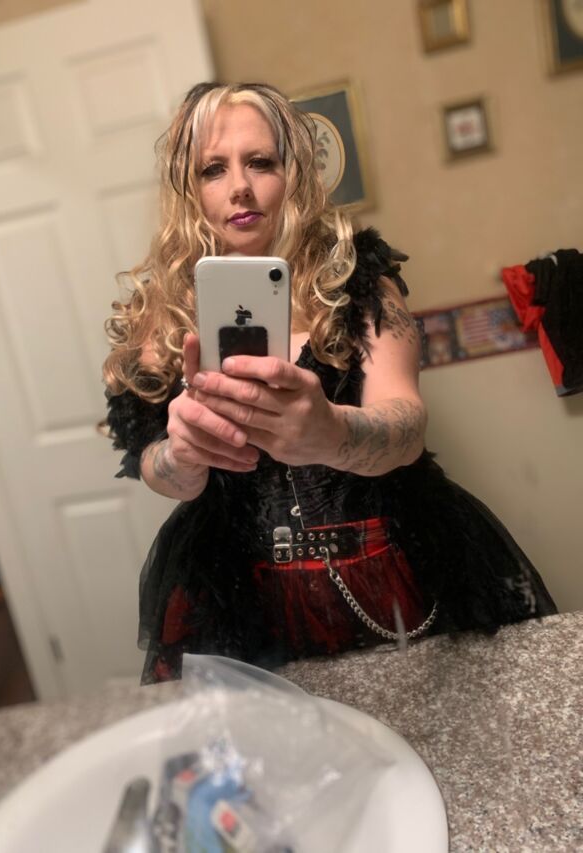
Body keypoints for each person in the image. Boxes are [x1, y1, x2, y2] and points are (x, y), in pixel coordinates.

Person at [103, 82, 556, 684]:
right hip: (237, 596)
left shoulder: (360, 283)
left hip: (392, 566)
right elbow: (152, 466)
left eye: (260, 162)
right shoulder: (155, 317)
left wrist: (332, 433)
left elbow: (407, 424)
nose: (239, 187)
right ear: (190, 189)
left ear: (293, 173)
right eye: (213, 169)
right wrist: (181, 459)